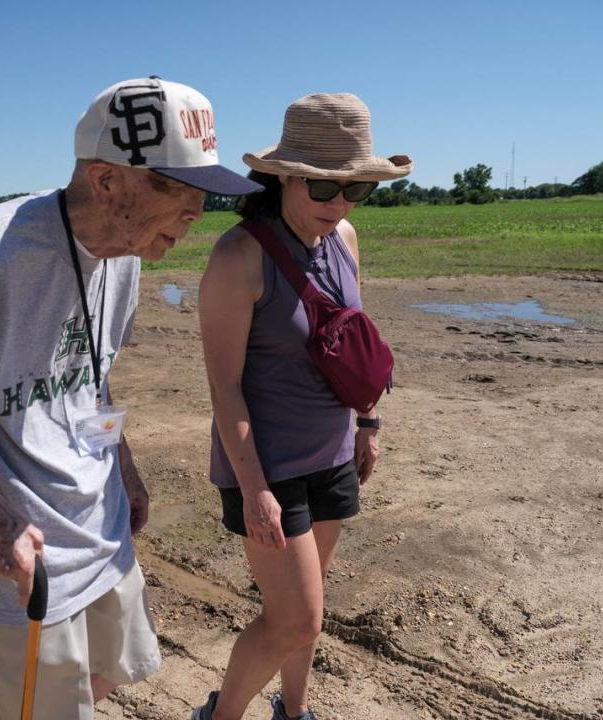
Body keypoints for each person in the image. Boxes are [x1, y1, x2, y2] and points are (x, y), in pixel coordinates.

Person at [0, 76, 261, 720]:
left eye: (202, 195)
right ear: (106, 181)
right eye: (177, 189)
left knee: (101, 681)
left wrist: (121, 463)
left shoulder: (124, 253)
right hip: (26, 561)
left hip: (104, 535)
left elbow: (91, 375)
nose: (194, 213)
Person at [193, 93, 413, 720]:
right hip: (269, 467)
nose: (339, 204)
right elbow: (224, 387)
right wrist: (254, 485)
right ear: (284, 174)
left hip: (333, 454)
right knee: (296, 619)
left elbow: (354, 336)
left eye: (356, 189)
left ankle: (294, 711)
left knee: (303, 621)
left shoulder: (344, 237)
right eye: (323, 188)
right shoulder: (239, 257)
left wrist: (368, 422)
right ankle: (221, 715)